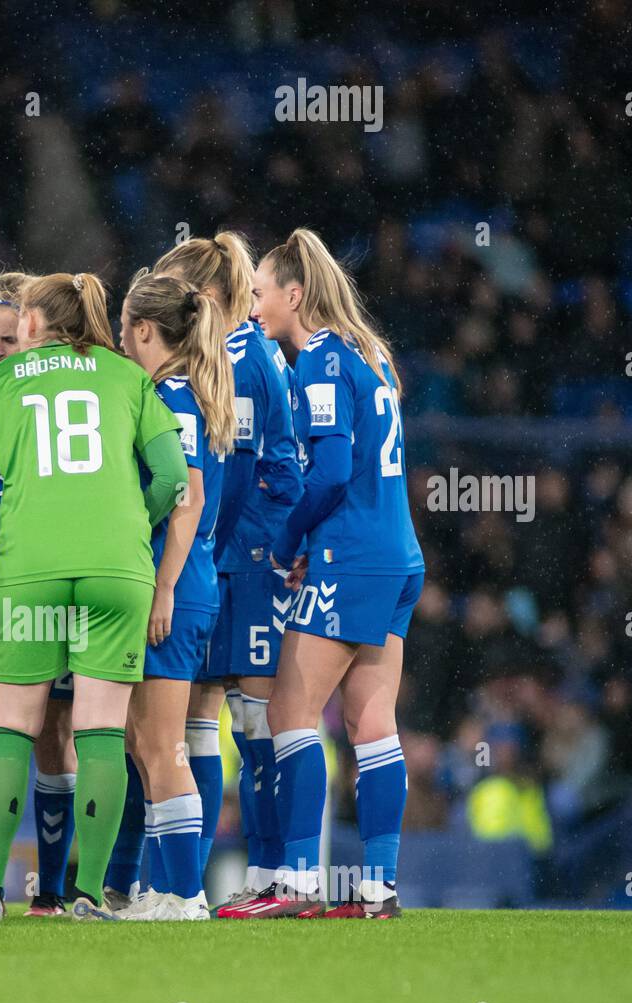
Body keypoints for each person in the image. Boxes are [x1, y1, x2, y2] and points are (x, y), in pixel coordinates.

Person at [0, 272, 187, 921]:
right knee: (101, 732)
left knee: (11, 729)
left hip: (30, 568)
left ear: (33, 322)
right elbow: (171, 476)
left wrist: (13, 531)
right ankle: (89, 896)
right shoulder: (128, 378)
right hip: (118, 568)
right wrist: (134, 525)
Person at [245, 228, 424, 919]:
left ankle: (297, 882)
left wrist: (290, 541)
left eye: (261, 293)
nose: (255, 307)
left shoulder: (319, 358)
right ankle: (377, 888)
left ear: (294, 294)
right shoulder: (370, 352)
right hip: (398, 556)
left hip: (349, 556)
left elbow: (331, 473)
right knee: (371, 720)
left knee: (292, 711)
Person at [150, 232, 303, 913]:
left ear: (205, 300)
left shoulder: (239, 359)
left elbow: (254, 474)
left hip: (243, 560)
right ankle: (200, 881)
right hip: (228, 557)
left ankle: (272, 874)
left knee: (253, 719)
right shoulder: (248, 354)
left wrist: (219, 543)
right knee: (205, 719)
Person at [0, 271, 80, 916]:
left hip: (44, 572)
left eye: (9, 338)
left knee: (57, 730)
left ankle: (52, 891)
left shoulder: (62, 388)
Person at [110, 272, 235, 920]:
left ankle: (185, 894)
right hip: (179, 585)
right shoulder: (175, 392)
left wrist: (161, 589)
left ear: (144, 330)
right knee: (146, 745)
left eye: (124, 326)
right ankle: (167, 889)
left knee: (163, 748)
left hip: (174, 588)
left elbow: (188, 499)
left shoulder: (173, 399)